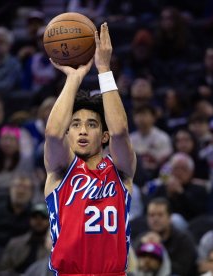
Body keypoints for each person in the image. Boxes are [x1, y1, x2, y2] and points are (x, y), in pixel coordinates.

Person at [44, 23, 136, 275]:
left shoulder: (120, 171)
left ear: (103, 135)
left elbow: (120, 132)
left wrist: (104, 68)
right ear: (69, 133)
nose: (83, 130)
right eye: (75, 124)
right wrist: (73, 78)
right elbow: (52, 133)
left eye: (92, 124)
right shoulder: (61, 170)